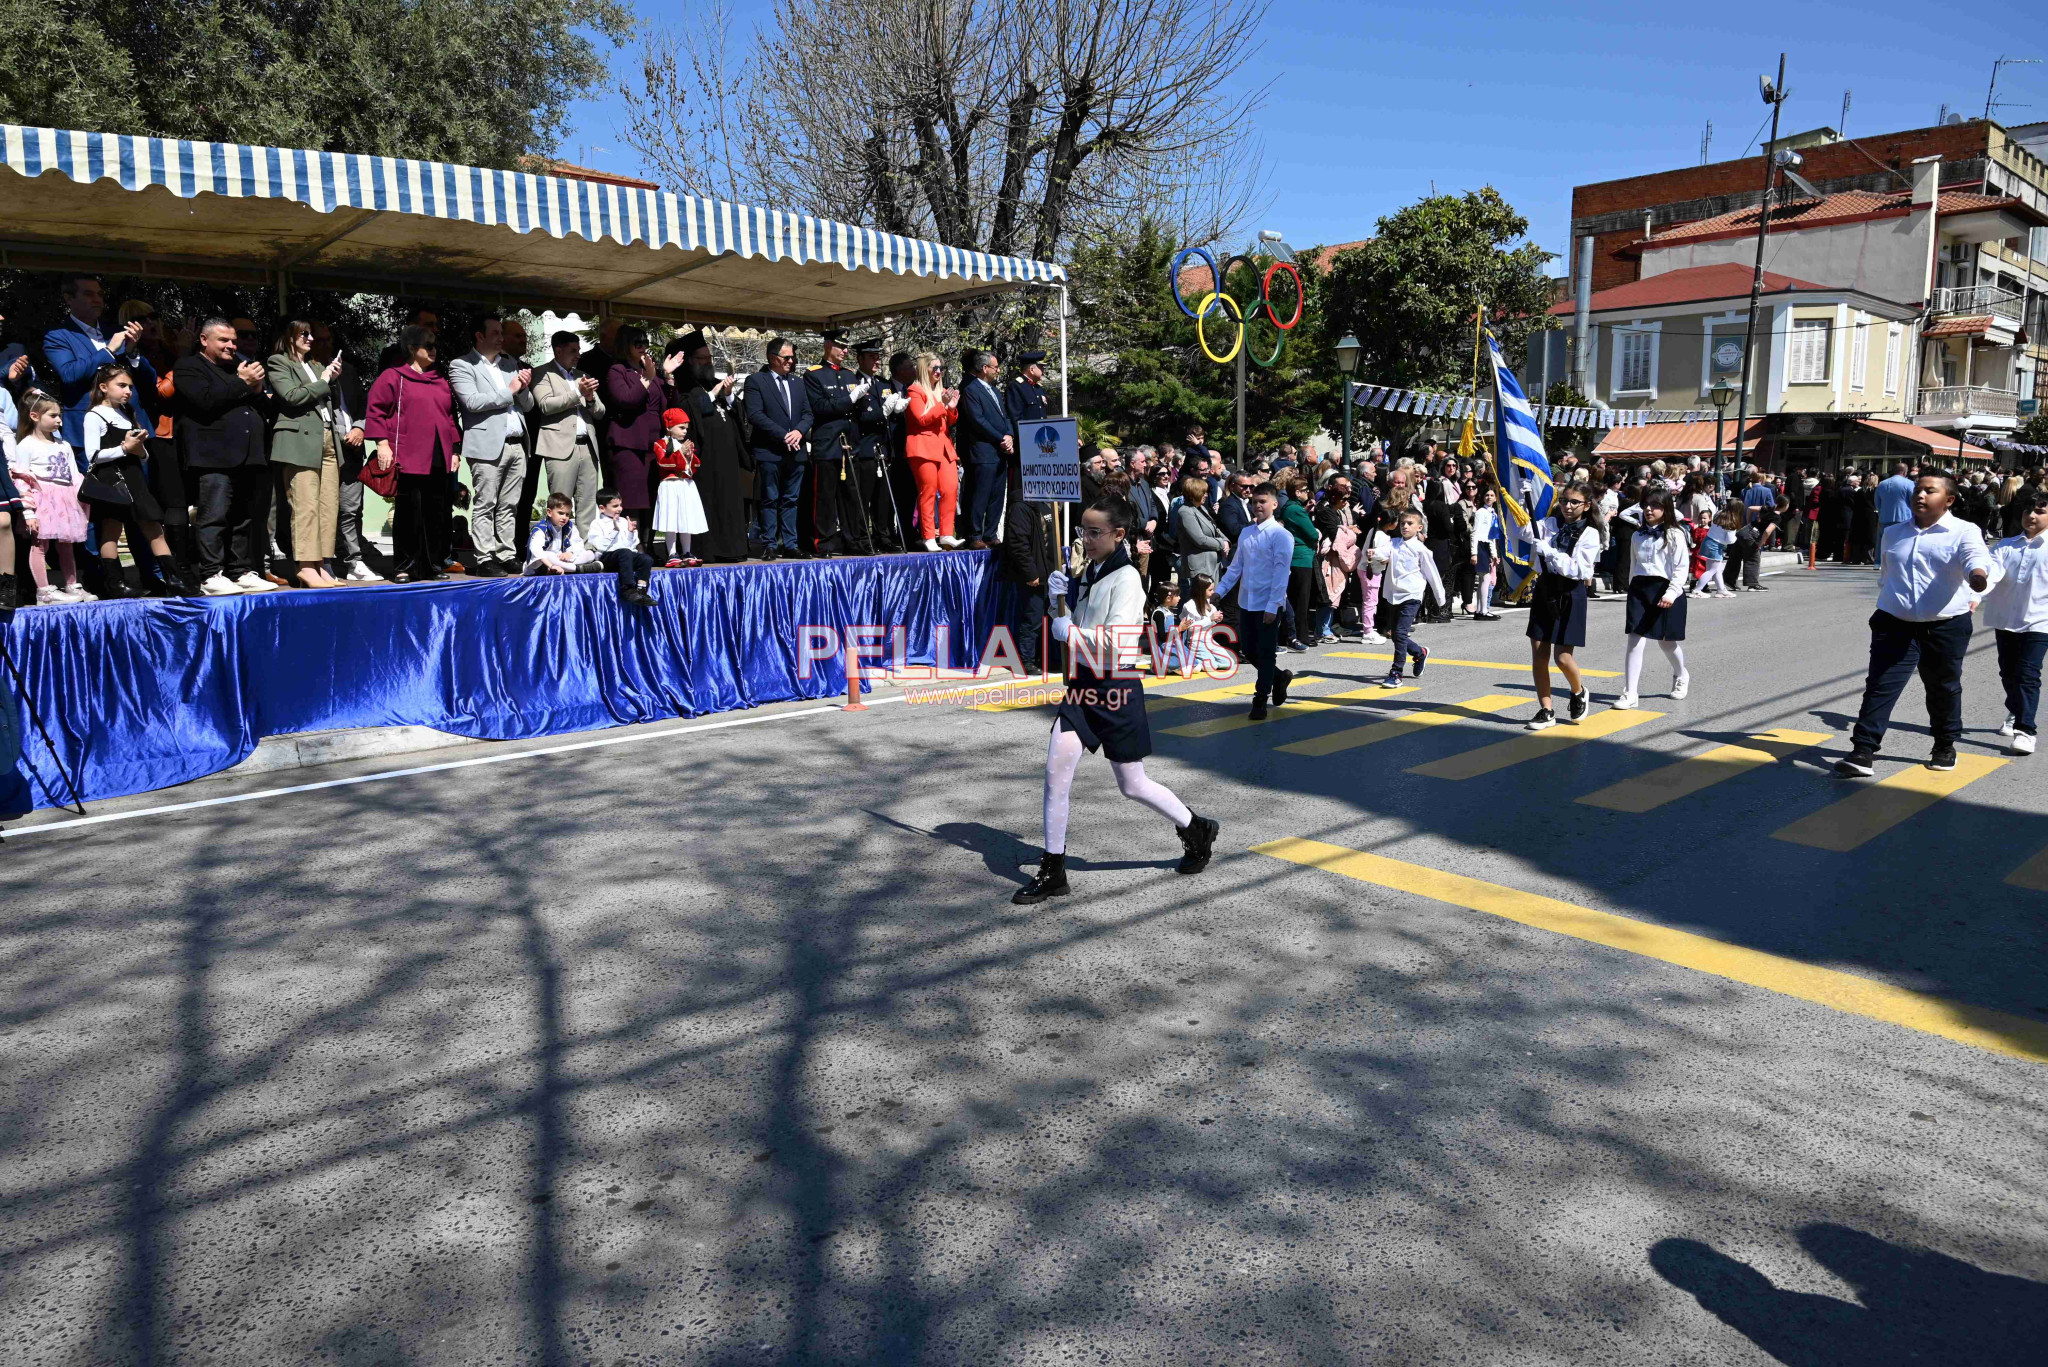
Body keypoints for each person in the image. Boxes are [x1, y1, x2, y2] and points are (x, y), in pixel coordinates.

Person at [1011, 496, 1219, 905]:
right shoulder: (1092, 570)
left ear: (1118, 535)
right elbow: (1080, 619)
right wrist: (1063, 595)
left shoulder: (1126, 579)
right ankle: (1054, 869)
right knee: (1056, 775)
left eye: (1093, 532)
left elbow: (1118, 642)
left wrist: (1067, 630)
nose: (1084, 539)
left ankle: (1196, 828)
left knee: (1133, 784)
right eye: (1081, 530)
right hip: (1083, 687)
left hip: (1117, 689)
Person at [1836, 470, 1997, 777]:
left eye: (1929, 491)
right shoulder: (1894, 532)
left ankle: (1944, 744)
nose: (1920, 495)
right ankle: (1862, 751)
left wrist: (1977, 576)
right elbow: (1886, 573)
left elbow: (1975, 557)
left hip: (1945, 625)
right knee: (1880, 686)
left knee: (1943, 688)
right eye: (1917, 490)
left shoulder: (1964, 531)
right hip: (1894, 624)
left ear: (1948, 499)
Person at [177, 319, 274, 595]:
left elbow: (266, 408)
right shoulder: (189, 367)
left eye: (233, 341)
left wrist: (255, 390)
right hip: (213, 456)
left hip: (247, 456)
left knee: (242, 518)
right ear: (204, 340)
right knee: (214, 516)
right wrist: (243, 382)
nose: (232, 345)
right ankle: (211, 574)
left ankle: (241, 571)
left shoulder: (238, 369)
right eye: (224, 340)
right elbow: (204, 402)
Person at [78, 364, 189, 597]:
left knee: (154, 527)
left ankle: (174, 580)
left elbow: (142, 455)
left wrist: (138, 448)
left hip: (135, 476)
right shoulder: (94, 415)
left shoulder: (127, 413)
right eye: (121, 385)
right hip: (111, 480)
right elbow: (93, 456)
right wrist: (124, 447)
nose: (128, 391)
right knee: (111, 530)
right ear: (104, 387)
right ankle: (115, 583)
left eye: (130, 386)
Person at [363, 324, 461, 583]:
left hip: (439, 456)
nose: (433, 350)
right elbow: (376, 411)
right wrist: (382, 444)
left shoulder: (439, 379)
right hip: (407, 456)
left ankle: (432, 566)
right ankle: (404, 566)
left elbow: (450, 417)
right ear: (410, 348)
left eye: (434, 345)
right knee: (408, 515)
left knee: (436, 514)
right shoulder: (393, 377)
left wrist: (455, 450)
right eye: (427, 345)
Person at [450, 313, 535, 576]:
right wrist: (509, 390)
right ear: (480, 336)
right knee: (486, 502)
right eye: (496, 333)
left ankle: (506, 554)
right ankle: (485, 557)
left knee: (510, 505)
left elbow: (529, 406)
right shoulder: (462, 365)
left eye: (502, 333)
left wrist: (523, 389)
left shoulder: (510, 363)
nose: (502, 338)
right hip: (487, 444)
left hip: (516, 443)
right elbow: (472, 402)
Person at [265, 322, 345, 588]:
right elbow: (291, 396)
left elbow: (323, 398)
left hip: (327, 438)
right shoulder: (278, 362)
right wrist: (324, 382)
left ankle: (321, 564)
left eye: (311, 333)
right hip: (299, 441)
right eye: (304, 334)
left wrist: (330, 378)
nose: (311, 338)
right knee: (305, 505)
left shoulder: (317, 366)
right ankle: (305, 567)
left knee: (328, 505)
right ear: (288, 336)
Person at [44, 275, 155, 452]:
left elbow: (149, 380)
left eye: (100, 294)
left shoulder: (116, 331)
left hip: (132, 425)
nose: (97, 300)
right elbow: (69, 373)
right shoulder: (58, 335)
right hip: (89, 430)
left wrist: (132, 352)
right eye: (88, 294)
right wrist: (108, 351)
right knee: (96, 480)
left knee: (139, 480)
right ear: (69, 299)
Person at [1521, 484, 1600, 731]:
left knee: (1563, 657)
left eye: (1574, 502)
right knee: (1539, 654)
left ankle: (1578, 691)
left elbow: (1581, 570)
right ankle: (1546, 710)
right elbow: (1523, 529)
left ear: (1586, 505)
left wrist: (1552, 553)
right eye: (1564, 500)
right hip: (1545, 587)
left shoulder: (1590, 533)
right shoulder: (1549, 524)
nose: (1567, 506)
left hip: (1569, 591)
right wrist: (1527, 498)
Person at [667, 331, 750, 563]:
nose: (708, 363)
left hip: (727, 457)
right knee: (709, 504)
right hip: (705, 460)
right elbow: (686, 415)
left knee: (730, 502)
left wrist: (730, 396)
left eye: (709, 358)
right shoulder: (683, 388)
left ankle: (733, 548)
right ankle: (710, 550)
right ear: (690, 361)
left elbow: (737, 413)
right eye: (702, 359)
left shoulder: (714, 384)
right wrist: (713, 395)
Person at [1215, 483, 1295, 720]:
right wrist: (1220, 591)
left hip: (1268, 602)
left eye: (1262, 502)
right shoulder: (1247, 533)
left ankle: (1260, 699)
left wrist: (1273, 606)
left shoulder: (1281, 535)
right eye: (1254, 502)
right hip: (1246, 601)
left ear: (1274, 504)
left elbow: (1281, 573)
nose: (1257, 506)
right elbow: (1235, 567)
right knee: (1249, 649)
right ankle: (1279, 677)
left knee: (1266, 651)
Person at [309, 322, 377, 582]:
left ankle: (354, 562)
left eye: (329, 340)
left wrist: (360, 428)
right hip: (322, 449)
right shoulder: (308, 372)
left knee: (351, 509)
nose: (326, 345)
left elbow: (362, 406)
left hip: (352, 449)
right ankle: (323, 561)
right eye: (320, 340)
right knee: (321, 508)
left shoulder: (348, 370)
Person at [1613, 488, 1691, 710]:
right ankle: (1630, 693)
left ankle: (1681, 674)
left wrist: (1671, 593)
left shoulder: (1675, 534)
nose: (1648, 509)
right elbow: (1634, 565)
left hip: (1665, 589)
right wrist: (1631, 590)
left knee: (1666, 642)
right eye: (1646, 504)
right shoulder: (1637, 535)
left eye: (1655, 505)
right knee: (1635, 640)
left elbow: (1680, 568)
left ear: (1666, 509)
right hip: (1640, 589)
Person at [1984, 491, 2048, 756]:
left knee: (2027, 675)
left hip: (2040, 621)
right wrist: (1976, 589)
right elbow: (1991, 573)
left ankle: (2025, 731)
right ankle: (2016, 709)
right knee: (2008, 673)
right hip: (2006, 618)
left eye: (2040, 511)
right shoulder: (2005, 545)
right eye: (2027, 511)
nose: (2031, 516)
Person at [12, 393, 89, 603]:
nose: (59, 420)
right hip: (42, 501)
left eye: (60, 416)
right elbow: (21, 479)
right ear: (35, 416)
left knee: (66, 544)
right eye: (53, 416)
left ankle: (72, 585)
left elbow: (74, 475)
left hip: (66, 501)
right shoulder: (26, 445)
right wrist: (28, 511)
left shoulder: (63, 445)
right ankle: (44, 591)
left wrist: (80, 500)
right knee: (40, 544)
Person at [602, 326, 672, 551]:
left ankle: (649, 546)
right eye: (637, 343)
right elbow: (625, 400)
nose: (643, 347)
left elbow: (667, 406)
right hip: (628, 442)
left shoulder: (650, 371)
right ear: (626, 346)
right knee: (632, 499)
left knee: (652, 497)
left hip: (653, 444)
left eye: (645, 342)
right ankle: (634, 546)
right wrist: (646, 380)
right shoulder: (617, 370)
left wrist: (668, 378)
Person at [529, 330, 605, 533]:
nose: (578, 354)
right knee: (560, 504)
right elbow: (545, 405)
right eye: (573, 350)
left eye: (579, 350)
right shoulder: (542, 373)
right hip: (559, 447)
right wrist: (577, 393)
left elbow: (600, 411)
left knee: (588, 503)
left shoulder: (583, 376)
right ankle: (557, 548)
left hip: (587, 446)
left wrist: (589, 398)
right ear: (558, 351)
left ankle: (586, 551)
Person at [801, 329, 869, 557]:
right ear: (828, 345)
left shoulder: (850, 375)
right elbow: (819, 407)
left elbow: (860, 409)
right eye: (841, 346)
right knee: (826, 498)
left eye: (846, 346)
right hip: (828, 444)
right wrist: (849, 399)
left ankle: (853, 541)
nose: (845, 351)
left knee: (852, 497)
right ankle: (825, 543)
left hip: (849, 445)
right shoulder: (814, 374)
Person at [743, 336, 811, 560]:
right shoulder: (756, 381)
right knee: (770, 498)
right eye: (787, 357)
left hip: (796, 451)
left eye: (793, 357)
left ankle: (790, 543)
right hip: (770, 450)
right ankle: (770, 544)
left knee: (791, 499)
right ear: (773, 358)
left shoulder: (798, 383)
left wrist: (799, 431)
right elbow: (755, 415)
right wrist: (783, 435)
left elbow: (808, 413)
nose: (792, 361)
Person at [1378, 508, 1442, 687]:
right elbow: (1383, 553)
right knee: (1395, 635)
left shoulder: (1421, 549)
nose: (1405, 526)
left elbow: (1432, 574)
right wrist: (1374, 555)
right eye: (1403, 523)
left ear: (1419, 527)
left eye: (1410, 523)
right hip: (1394, 594)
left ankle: (1396, 672)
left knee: (1400, 633)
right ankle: (1420, 653)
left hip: (1412, 595)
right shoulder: (1394, 543)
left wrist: (1440, 598)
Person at [848, 337, 901, 553]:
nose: (877, 361)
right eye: (871, 357)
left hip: (883, 448)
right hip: (865, 448)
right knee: (864, 498)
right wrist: (882, 413)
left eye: (878, 356)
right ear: (860, 359)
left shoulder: (883, 383)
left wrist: (896, 411)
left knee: (883, 499)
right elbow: (861, 415)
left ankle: (883, 537)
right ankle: (862, 539)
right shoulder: (854, 383)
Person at [998, 488, 1059, 676]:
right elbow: (1018, 543)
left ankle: (1047, 658)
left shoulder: (1046, 505)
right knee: (1031, 619)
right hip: (1034, 575)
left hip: (1049, 573)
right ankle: (1026, 660)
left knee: (1048, 618)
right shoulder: (1021, 507)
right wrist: (1030, 573)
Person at [904, 353, 960, 550]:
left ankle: (946, 534)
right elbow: (921, 419)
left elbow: (949, 421)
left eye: (940, 368)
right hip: (924, 447)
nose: (938, 372)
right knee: (927, 492)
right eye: (934, 368)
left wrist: (952, 408)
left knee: (950, 489)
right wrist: (942, 405)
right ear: (923, 369)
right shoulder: (914, 390)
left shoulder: (941, 390)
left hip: (944, 447)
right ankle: (928, 536)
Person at [957, 350, 1011, 550]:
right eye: (995, 367)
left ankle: (990, 533)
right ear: (984, 368)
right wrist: (1000, 437)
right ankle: (974, 534)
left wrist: (1009, 436)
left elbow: (1005, 416)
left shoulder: (994, 390)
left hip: (1000, 450)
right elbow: (977, 420)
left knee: (997, 494)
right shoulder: (971, 389)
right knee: (980, 494)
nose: (997, 370)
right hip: (982, 450)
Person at [650, 408, 707, 566]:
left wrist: (688, 456)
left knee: (685, 518)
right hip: (670, 485)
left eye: (686, 429)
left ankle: (687, 551)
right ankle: (672, 552)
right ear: (669, 427)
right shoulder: (660, 444)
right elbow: (664, 462)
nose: (685, 432)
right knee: (671, 519)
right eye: (681, 427)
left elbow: (695, 465)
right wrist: (680, 453)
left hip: (685, 485)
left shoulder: (684, 445)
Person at [584, 489, 657, 607]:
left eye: (620, 505)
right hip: (608, 558)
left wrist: (631, 532)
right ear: (602, 508)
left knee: (646, 559)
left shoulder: (623, 521)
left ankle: (641, 590)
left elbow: (630, 546)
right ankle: (628, 589)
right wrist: (614, 531)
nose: (619, 508)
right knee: (625, 553)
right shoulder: (597, 524)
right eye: (615, 506)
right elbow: (600, 546)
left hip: (625, 556)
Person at [1276, 476, 1320, 649]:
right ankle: (1301, 635)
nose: (1307, 493)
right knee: (1301, 600)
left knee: (1294, 598)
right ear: (1297, 492)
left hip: (1296, 557)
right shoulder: (1296, 510)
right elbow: (1313, 534)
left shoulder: (1291, 507)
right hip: (1301, 558)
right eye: (1304, 490)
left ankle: (1290, 634)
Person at [1172, 476, 1228, 593]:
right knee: (1198, 603)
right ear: (1194, 493)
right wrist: (1221, 544)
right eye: (1203, 492)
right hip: (1200, 567)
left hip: (1211, 565)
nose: (1206, 495)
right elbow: (1200, 539)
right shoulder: (1185, 511)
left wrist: (1226, 540)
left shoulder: (1201, 508)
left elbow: (1215, 528)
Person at [524, 491, 598, 575]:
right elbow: (535, 550)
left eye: (567, 514)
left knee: (590, 554)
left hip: (562, 560)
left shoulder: (569, 526)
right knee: (548, 555)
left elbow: (578, 543)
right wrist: (551, 565)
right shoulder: (540, 529)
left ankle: (567, 568)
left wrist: (570, 553)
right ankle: (576, 569)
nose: (564, 517)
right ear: (549, 512)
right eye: (560, 513)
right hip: (546, 563)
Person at [1468, 483, 1501, 620]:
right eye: (1487, 495)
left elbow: (1492, 535)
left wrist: (1494, 554)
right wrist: (1473, 552)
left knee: (1484, 579)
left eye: (1492, 495)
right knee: (1485, 578)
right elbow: (1475, 533)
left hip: (1487, 546)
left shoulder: (1492, 513)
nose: (1489, 497)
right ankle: (1482, 610)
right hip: (1480, 546)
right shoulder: (1481, 512)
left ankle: (1482, 609)